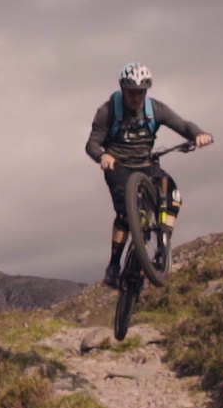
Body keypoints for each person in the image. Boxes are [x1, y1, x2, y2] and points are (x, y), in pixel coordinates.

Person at [85, 62, 213, 288]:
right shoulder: (107, 111)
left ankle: (163, 241)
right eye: (132, 92)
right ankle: (113, 266)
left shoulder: (155, 109)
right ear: (123, 89)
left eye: (141, 92)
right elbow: (92, 144)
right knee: (127, 213)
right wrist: (102, 156)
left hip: (147, 164)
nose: (136, 97)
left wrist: (198, 134)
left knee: (173, 197)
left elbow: (183, 125)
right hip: (118, 166)